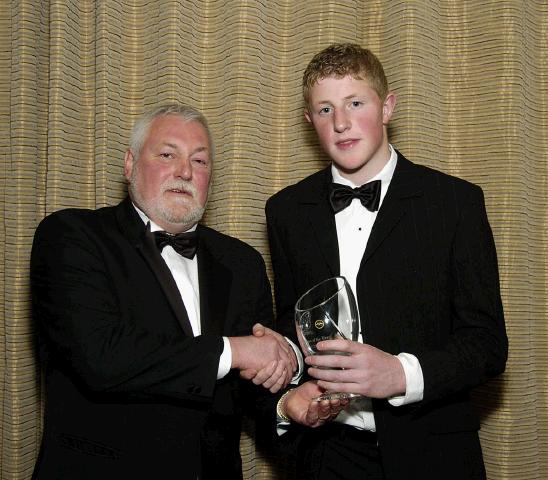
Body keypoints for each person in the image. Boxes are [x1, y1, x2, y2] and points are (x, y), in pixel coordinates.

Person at [266, 43, 508, 480]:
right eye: (324, 109)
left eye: (355, 103)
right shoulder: (285, 211)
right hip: (324, 456)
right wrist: (281, 359)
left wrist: (399, 374)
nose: (340, 123)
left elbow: (487, 345)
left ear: (387, 107)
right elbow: (293, 322)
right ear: (309, 121)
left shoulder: (455, 203)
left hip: (430, 455)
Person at [30, 103, 298, 480]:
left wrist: (288, 407)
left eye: (200, 161)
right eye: (167, 154)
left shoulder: (242, 262)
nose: (185, 171)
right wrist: (234, 349)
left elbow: (254, 384)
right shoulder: (71, 236)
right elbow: (101, 356)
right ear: (129, 164)